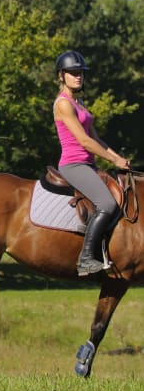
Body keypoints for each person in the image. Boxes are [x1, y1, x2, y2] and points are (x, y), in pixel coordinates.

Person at [53, 50, 130, 275]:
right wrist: (113, 159)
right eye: (73, 72)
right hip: (73, 165)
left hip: (88, 164)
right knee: (107, 204)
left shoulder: (80, 102)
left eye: (81, 73)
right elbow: (85, 141)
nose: (78, 76)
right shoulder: (63, 104)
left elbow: (96, 139)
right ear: (61, 75)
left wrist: (119, 158)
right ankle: (86, 258)